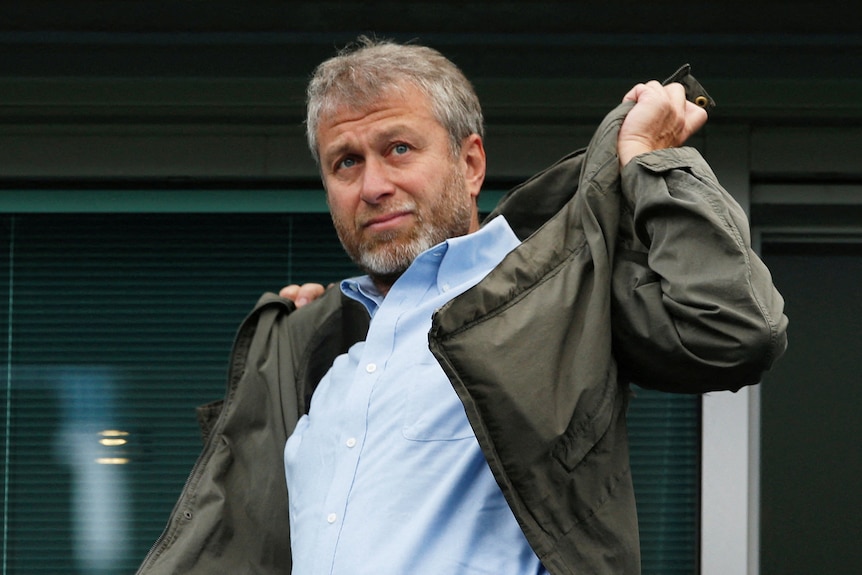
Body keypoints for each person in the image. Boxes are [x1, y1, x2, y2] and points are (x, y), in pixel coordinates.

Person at [137, 37, 788, 575]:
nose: (373, 185)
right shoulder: (323, 354)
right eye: (345, 162)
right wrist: (304, 337)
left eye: (398, 148)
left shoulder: (557, 294)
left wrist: (653, 161)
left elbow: (730, 328)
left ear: (470, 162)